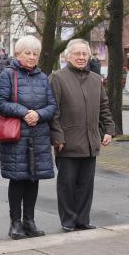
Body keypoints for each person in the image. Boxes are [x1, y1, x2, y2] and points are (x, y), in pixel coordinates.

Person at [0, 35, 57, 240]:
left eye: (35, 54)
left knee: (33, 179)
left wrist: (38, 115)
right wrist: (24, 112)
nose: (31, 57)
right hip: (17, 136)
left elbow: (52, 106)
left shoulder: (43, 78)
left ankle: (29, 221)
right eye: (27, 53)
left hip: (38, 136)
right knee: (18, 179)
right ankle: (15, 223)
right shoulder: (7, 75)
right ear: (18, 54)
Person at [49, 38, 115, 232]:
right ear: (67, 56)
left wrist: (109, 130)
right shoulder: (57, 78)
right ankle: (68, 220)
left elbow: (104, 107)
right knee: (67, 185)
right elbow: (54, 112)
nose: (81, 57)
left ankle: (82, 220)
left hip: (90, 142)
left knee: (86, 186)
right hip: (67, 142)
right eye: (77, 54)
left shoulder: (96, 79)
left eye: (84, 54)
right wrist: (57, 137)